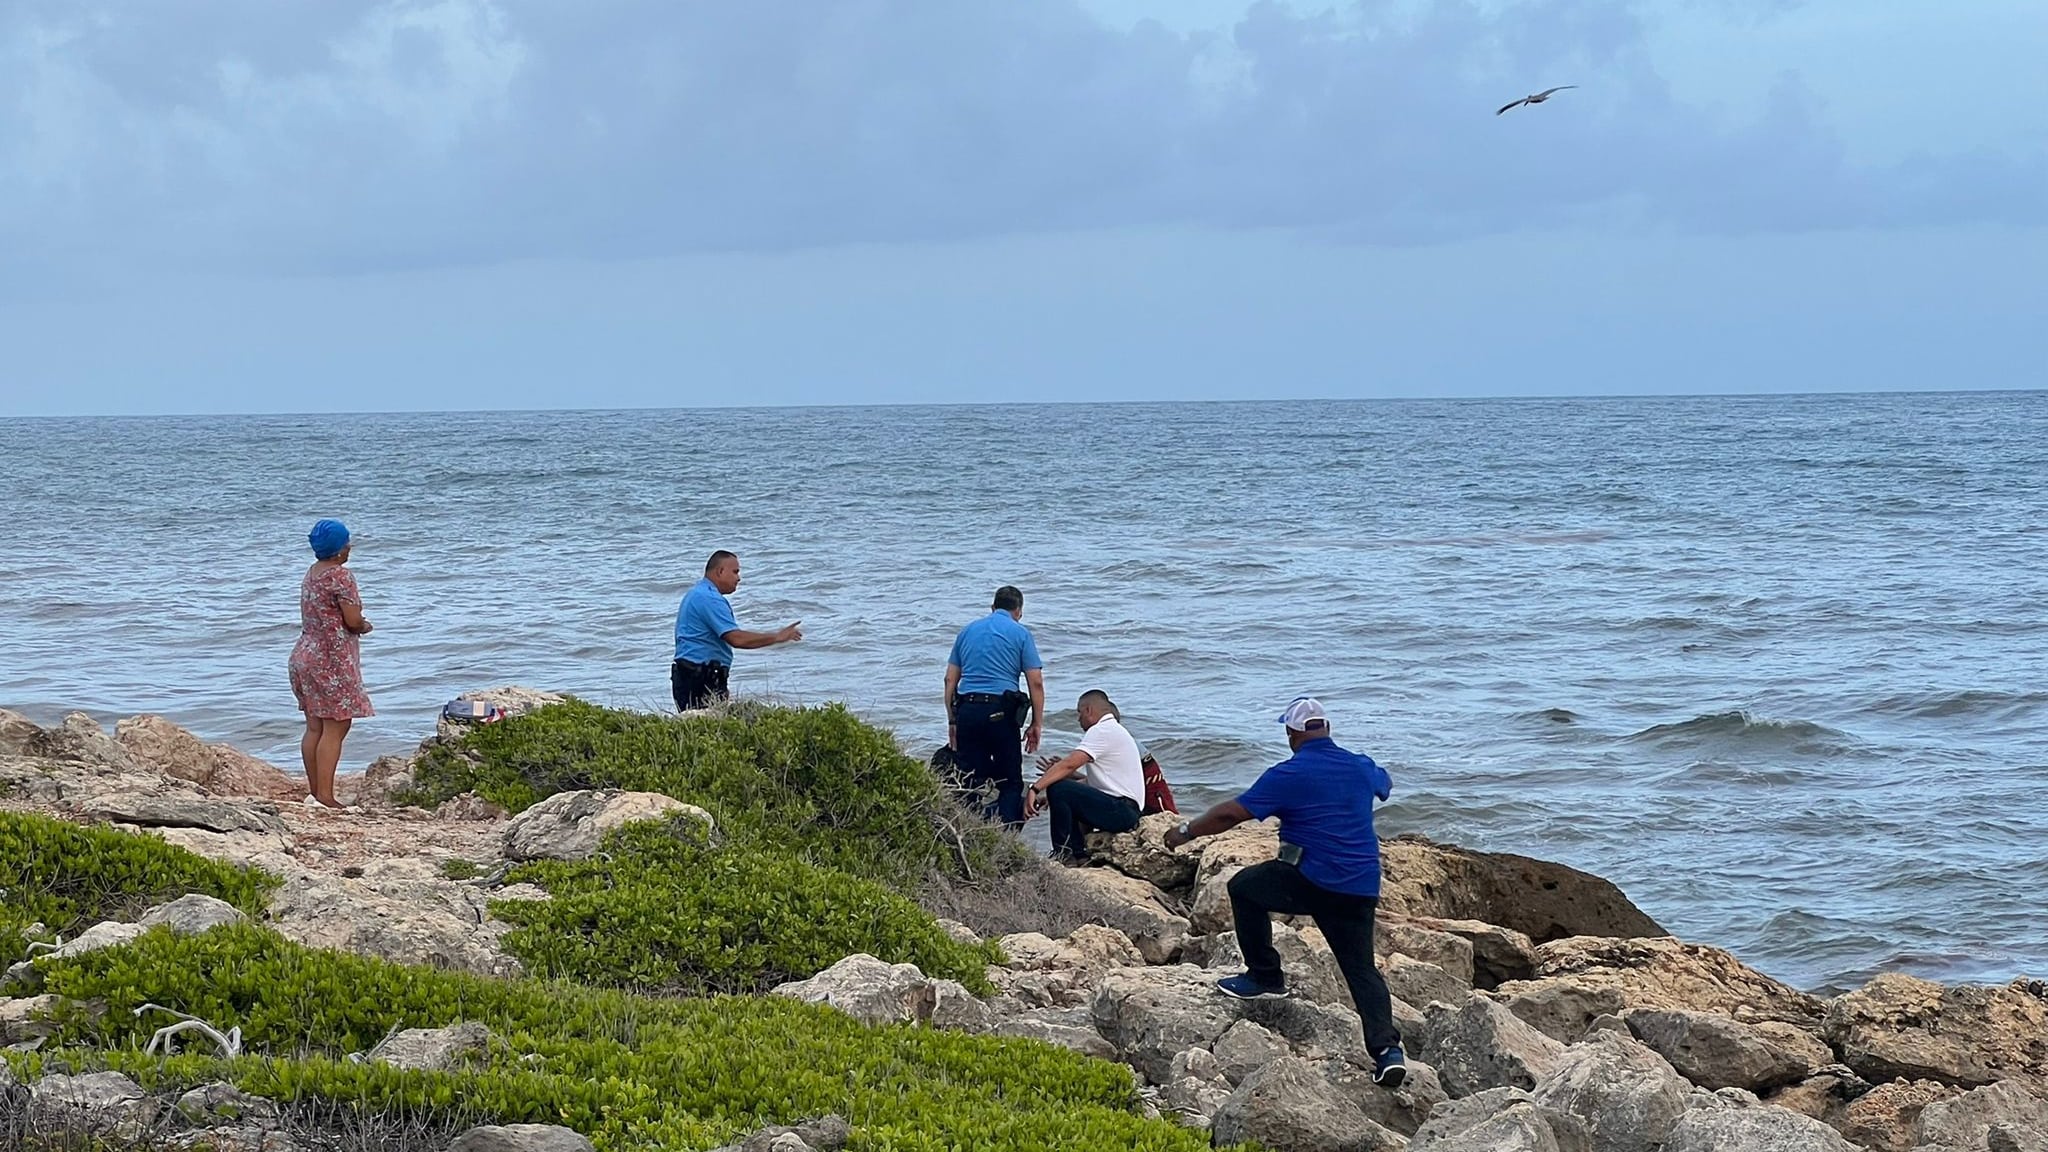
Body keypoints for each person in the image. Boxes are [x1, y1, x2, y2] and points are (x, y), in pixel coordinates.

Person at [1164, 696, 1409, 1088]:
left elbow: (1231, 813)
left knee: (1244, 887)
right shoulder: (1361, 766)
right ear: (1326, 730)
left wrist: (1185, 832)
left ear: (1292, 734)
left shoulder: (1288, 774)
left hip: (1311, 881)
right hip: (1360, 884)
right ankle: (1387, 1052)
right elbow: (1385, 783)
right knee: (1361, 968)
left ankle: (1264, 976)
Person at [289, 518, 373, 809]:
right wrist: (364, 626)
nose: (350, 546)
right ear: (339, 550)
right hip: (331, 660)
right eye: (347, 542)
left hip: (305, 655)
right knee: (336, 726)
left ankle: (315, 793)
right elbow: (351, 620)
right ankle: (325, 797)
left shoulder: (312, 573)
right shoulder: (341, 576)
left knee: (314, 727)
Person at [943, 585, 1045, 827]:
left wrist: (952, 720)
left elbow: (950, 680)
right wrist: (1036, 723)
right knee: (1010, 782)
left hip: (967, 710)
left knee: (968, 779)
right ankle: (1005, 836)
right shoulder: (1021, 634)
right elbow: (1036, 683)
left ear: (992, 607)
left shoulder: (967, 631)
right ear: (1019, 611)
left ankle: (968, 833)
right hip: (1001, 713)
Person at [672, 550, 802, 711]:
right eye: (735, 572)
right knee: (707, 729)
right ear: (720, 571)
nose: (738, 578)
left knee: (699, 728)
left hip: (692, 674)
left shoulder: (697, 593)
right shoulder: (709, 598)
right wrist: (776, 637)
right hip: (700, 677)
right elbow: (736, 639)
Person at [1026, 689, 1145, 861]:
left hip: (1122, 811)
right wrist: (1057, 794)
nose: (1078, 718)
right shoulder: (1115, 731)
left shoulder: (1102, 730)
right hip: (1125, 809)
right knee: (1063, 792)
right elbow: (1102, 783)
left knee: (1059, 787)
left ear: (1088, 710)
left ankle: (1064, 854)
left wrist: (1035, 788)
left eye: (1079, 713)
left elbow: (1069, 763)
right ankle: (1078, 854)